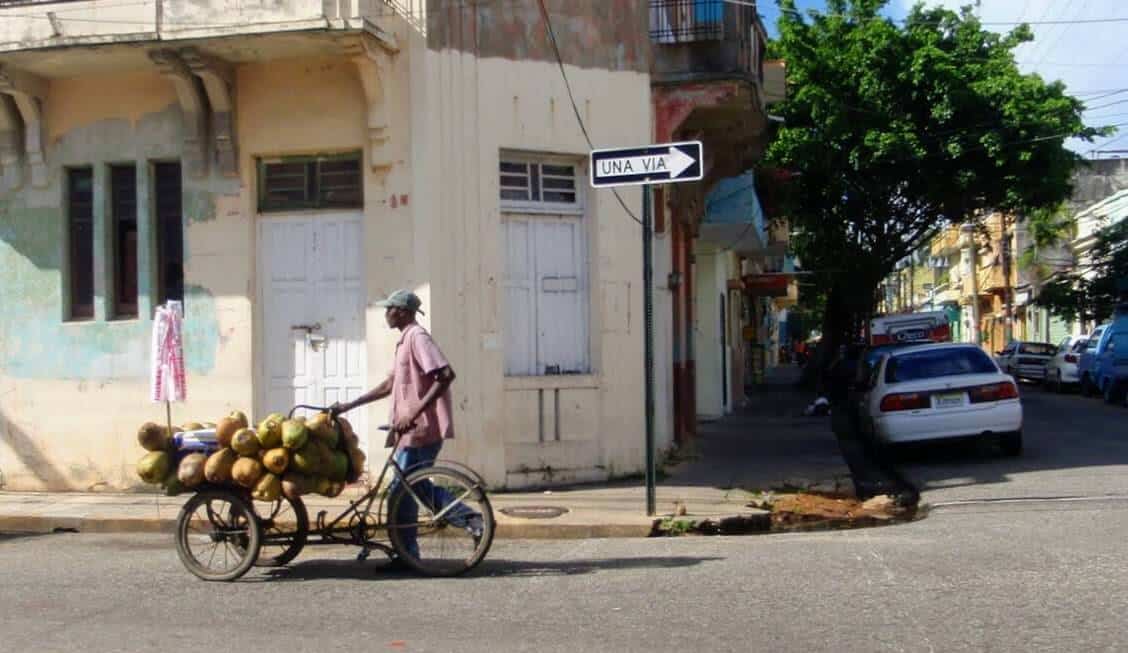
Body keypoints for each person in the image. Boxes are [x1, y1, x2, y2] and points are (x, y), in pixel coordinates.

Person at [330, 289, 481, 566]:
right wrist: (349, 406)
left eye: (390, 309)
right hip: (409, 431)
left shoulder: (418, 337)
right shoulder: (404, 341)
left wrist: (414, 411)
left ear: (403, 311)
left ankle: (468, 520)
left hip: (422, 430)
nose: (386, 314)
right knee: (407, 492)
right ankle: (407, 554)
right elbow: (389, 386)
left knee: (406, 491)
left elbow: (445, 375)